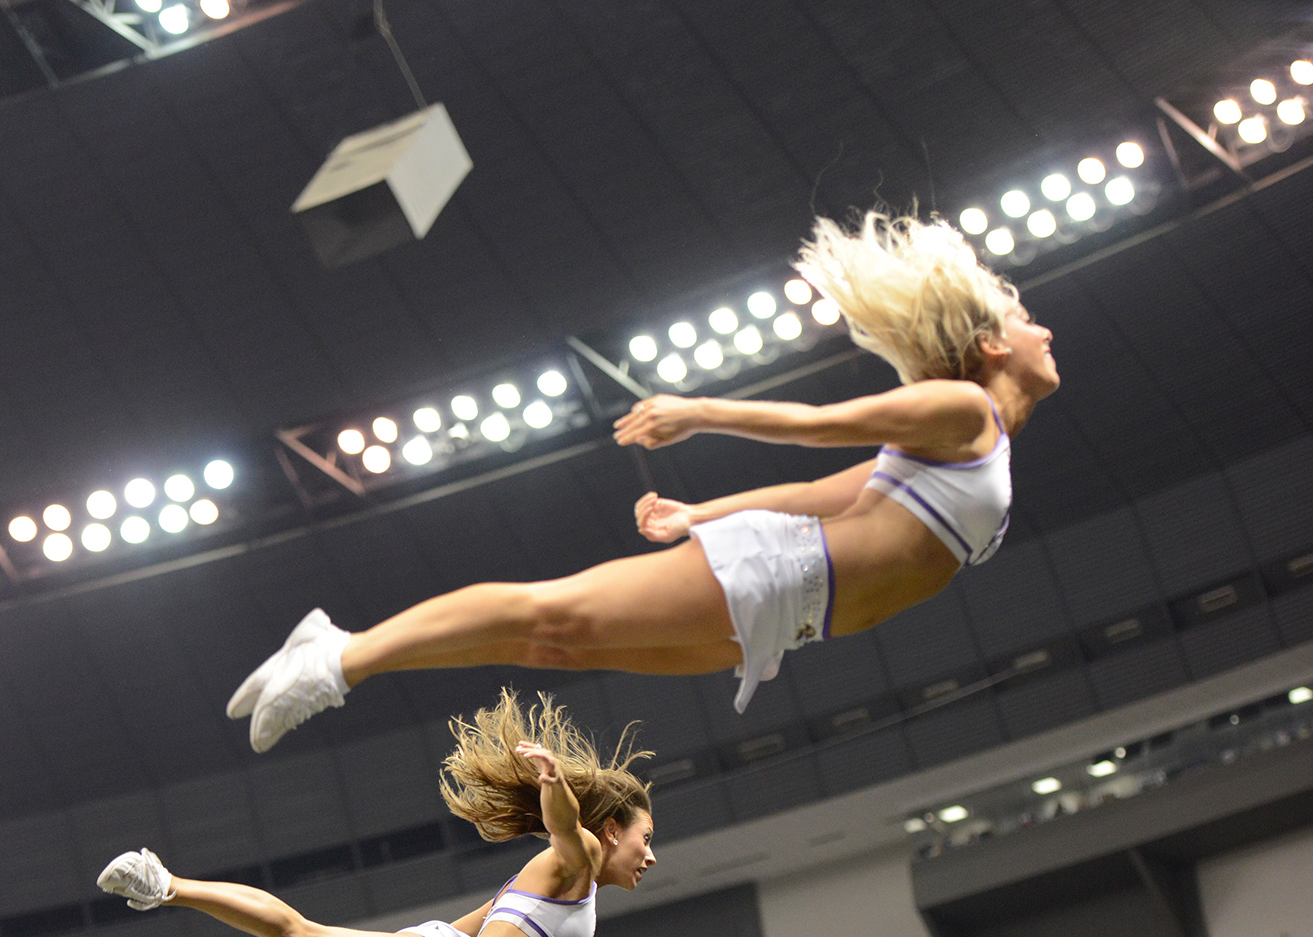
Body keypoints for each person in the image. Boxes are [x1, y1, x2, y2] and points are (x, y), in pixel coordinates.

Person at [227, 210, 1060, 748]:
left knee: (556, 644)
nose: (1044, 330)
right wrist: (699, 409)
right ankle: (341, 660)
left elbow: (835, 497)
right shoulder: (964, 410)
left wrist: (707, 509)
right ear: (989, 348)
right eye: (1027, 323)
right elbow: (818, 425)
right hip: (783, 576)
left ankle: (339, 654)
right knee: (553, 611)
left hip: (793, 618)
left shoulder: (970, 443)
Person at [1, 693, 654, 937]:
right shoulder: (582, 856)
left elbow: (482, 921)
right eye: (644, 839)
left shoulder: (563, 885)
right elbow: (568, 831)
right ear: (612, 829)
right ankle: (165, 884)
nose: (649, 856)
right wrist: (554, 789)